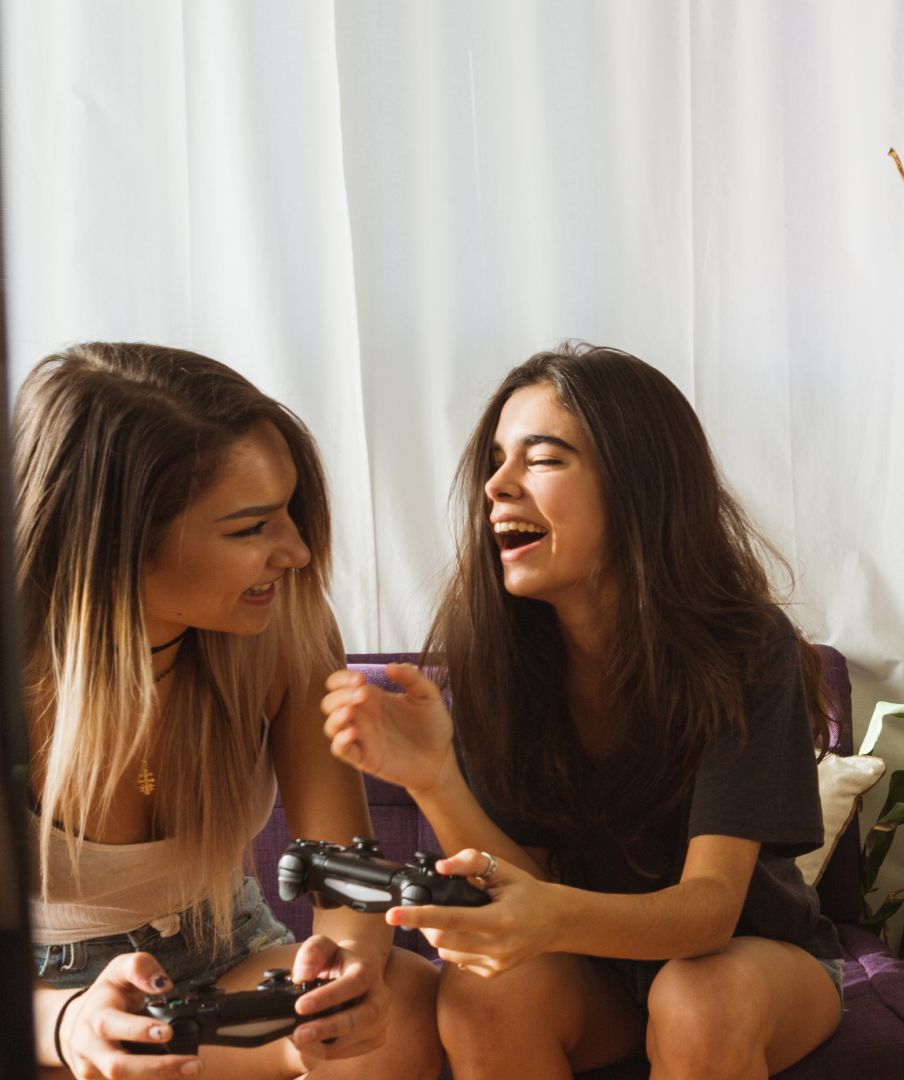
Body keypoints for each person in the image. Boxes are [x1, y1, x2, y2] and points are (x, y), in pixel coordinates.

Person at [319, 343, 843, 1079]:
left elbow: (710, 910)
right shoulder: (497, 657)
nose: (496, 485)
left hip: (748, 959)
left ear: (638, 486)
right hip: (592, 973)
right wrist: (433, 777)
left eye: (542, 459)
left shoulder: (747, 647)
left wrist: (552, 915)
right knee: (481, 994)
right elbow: (513, 881)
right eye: (495, 462)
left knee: (698, 1001)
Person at [19, 343, 441, 1078]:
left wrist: (344, 973)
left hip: (228, 959)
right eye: (251, 528)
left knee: (401, 1005)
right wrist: (69, 1024)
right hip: (39, 1005)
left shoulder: (286, 629)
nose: (297, 552)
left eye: (289, 513)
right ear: (116, 544)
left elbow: (342, 870)